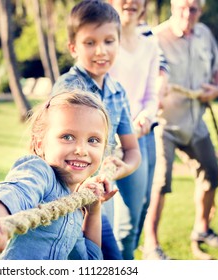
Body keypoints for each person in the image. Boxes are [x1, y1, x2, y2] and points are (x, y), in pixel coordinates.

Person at [0, 90, 118, 260]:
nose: (81, 150)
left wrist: (93, 211)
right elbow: (17, 191)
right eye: (68, 137)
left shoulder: (73, 210)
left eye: (93, 140)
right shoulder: (40, 172)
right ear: (40, 144)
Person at [51, 0, 141, 260]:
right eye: (90, 43)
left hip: (100, 202)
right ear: (73, 47)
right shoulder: (69, 87)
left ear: (118, 43)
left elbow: (133, 150)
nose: (101, 51)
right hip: (69, 201)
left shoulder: (117, 91)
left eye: (109, 41)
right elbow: (55, 147)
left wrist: (122, 168)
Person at [142, 0, 218, 260]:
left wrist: (216, 88)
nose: (187, 14)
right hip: (164, 125)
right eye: (182, 7)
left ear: (200, 11)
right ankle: (151, 245)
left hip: (196, 121)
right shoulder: (156, 37)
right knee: (160, 182)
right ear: (172, 7)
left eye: (193, 9)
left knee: (211, 173)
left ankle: (202, 229)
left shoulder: (204, 34)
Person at [107, 0, 160, 260]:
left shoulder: (150, 45)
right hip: (105, 141)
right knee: (102, 221)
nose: (131, 2)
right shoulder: (104, 43)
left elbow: (152, 95)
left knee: (138, 210)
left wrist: (145, 117)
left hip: (141, 136)